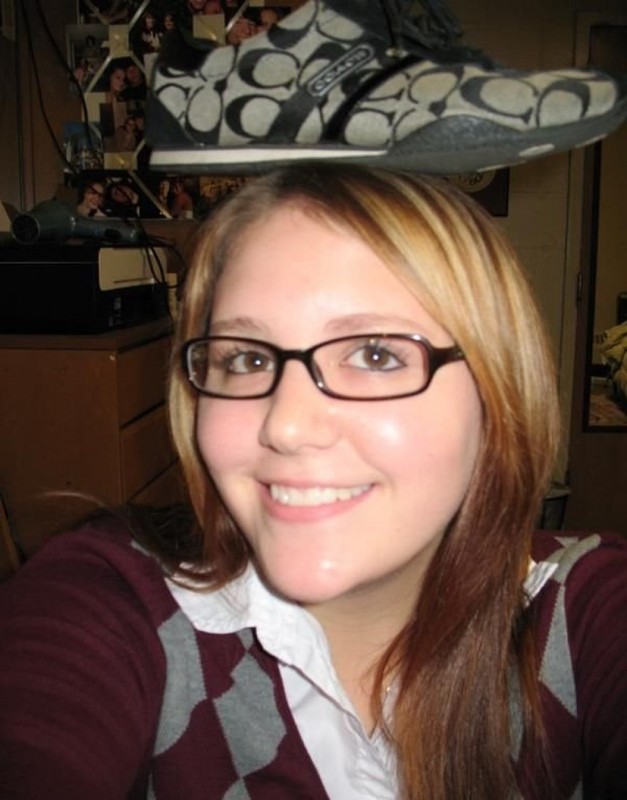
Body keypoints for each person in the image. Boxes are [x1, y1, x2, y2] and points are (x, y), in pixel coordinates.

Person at [0, 165, 626, 800]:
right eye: (246, 358)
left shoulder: (587, 615)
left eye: (375, 354)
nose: (288, 426)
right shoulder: (109, 599)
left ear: (497, 395)